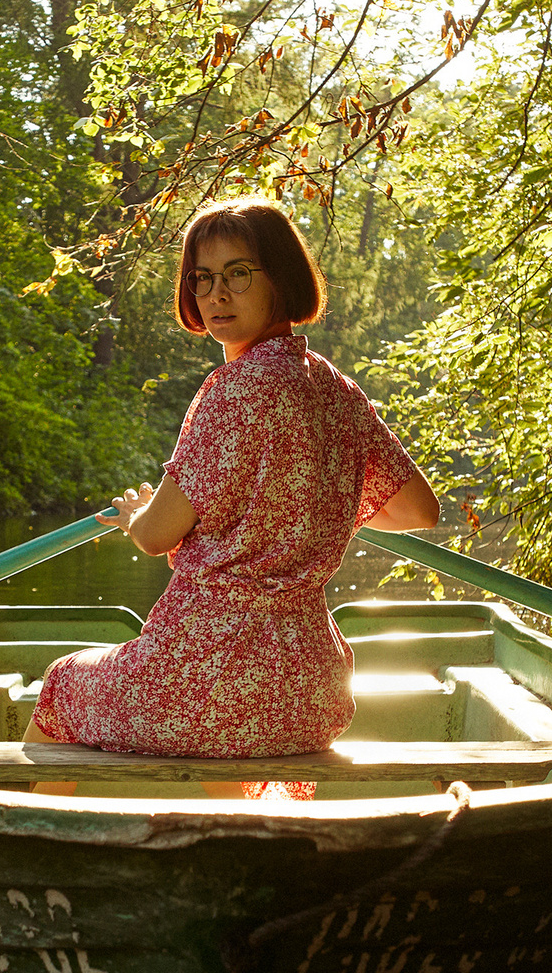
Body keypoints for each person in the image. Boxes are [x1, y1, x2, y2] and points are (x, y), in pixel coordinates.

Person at [29, 198, 440, 786]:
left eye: (238, 274)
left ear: (282, 279)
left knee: (63, 680)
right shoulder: (337, 392)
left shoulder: (229, 392)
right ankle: (240, 844)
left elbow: (154, 536)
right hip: (308, 692)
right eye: (203, 278)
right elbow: (417, 511)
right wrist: (310, 503)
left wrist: (136, 515)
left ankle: (36, 838)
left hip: (207, 676)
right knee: (222, 735)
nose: (217, 294)